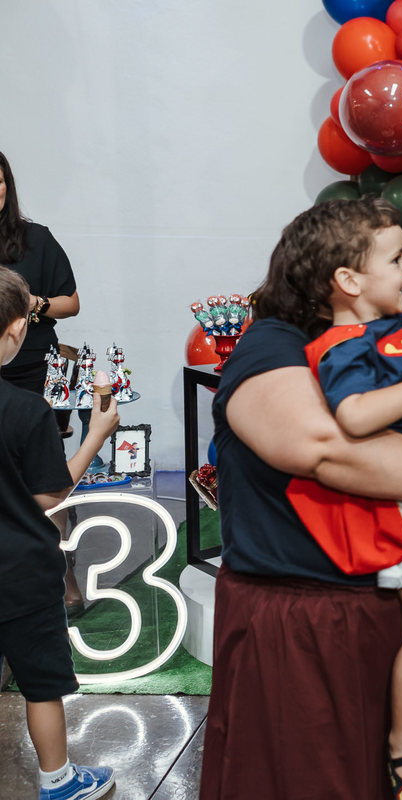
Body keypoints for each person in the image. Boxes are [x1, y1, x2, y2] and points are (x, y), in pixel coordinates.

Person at [198, 201, 402, 800]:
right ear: (346, 278)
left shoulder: (394, 333)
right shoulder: (272, 344)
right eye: (398, 258)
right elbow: (324, 448)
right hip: (306, 624)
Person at [0, 265, 120, 800]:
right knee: (41, 686)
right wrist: (95, 435)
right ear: (17, 331)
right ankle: (58, 781)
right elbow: (50, 495)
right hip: (22, 575)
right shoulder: (25, 409)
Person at [0, 150, 85, 608]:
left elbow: (71, 303)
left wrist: (31, 304)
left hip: (35, 368)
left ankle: (64, 574)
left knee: (46, 475)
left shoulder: (36, 239)